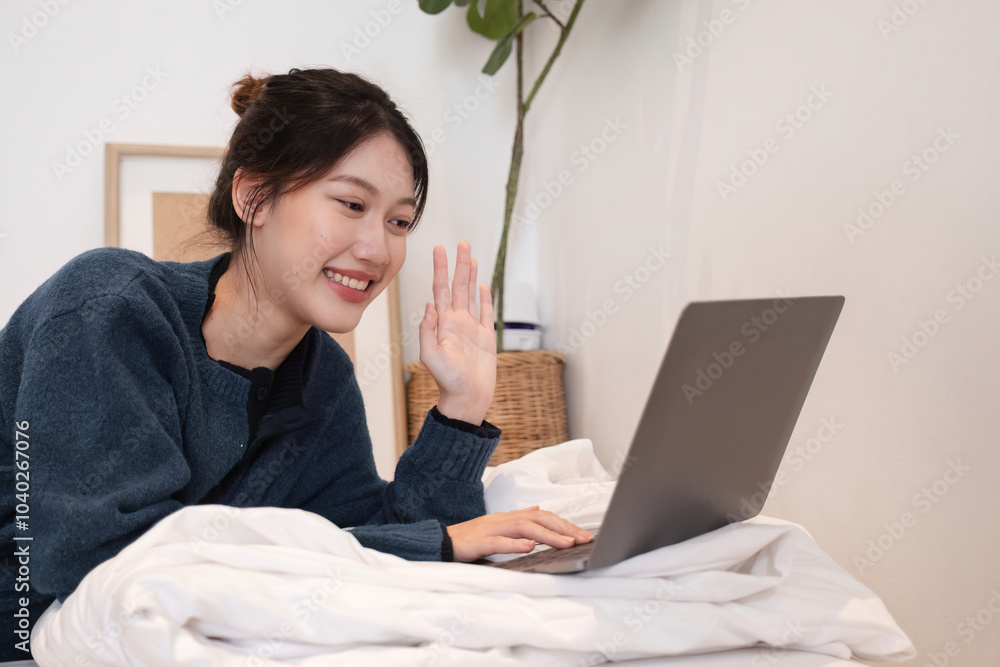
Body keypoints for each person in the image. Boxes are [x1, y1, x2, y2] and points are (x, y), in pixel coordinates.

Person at [0, 67, 591, 660]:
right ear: (253, 196)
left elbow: (379, 537)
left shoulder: (322, 378)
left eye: (399, 221)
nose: (377, 249)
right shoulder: (109, 309)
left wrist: (460, 408)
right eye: (352, 203)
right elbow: (102, 561)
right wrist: (425, 545)